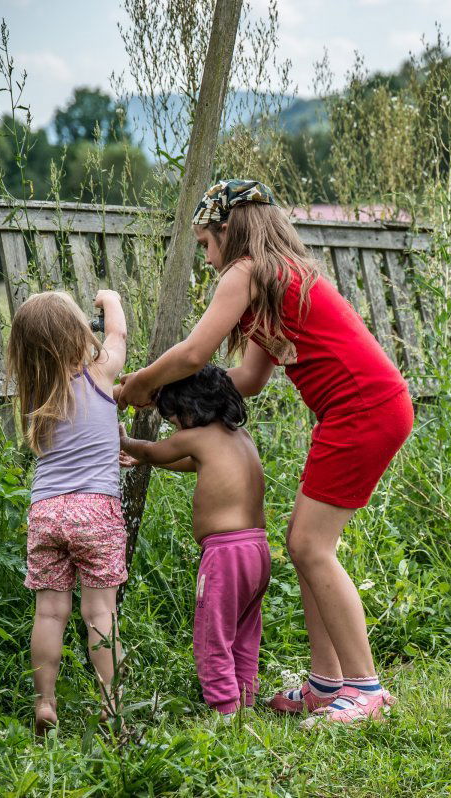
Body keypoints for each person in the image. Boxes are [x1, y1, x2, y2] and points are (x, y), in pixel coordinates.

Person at [116, 179, 412, 726]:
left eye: (206, 243)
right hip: (357, 409)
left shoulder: (247, 271)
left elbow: (196, 350)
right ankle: (327, 683)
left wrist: (142, 382)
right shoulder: (273, 285)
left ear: (229, 230)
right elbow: (248, 379)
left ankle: (366, 689)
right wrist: (173, 391)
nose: (207, 258)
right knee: (306, 544)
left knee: (310, 546)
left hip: (362, 408)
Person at [6, 289, 128, 735]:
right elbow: (117, 332)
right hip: (95, 509)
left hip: (46, 511)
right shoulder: (101, 371)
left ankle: (45, 702)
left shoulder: (35, 393)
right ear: (78, 333)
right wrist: (108, 298)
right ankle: (111, 704)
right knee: (100, 614)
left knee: (49, 614)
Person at [119, 364, 270, 714]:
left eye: (175, 419)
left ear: (191, 408)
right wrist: (141, 459)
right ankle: (245, 698)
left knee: (212, 634)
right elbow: (190, 463)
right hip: (257, 551)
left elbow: (159, 451)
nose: (175, 426)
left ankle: (223, 708)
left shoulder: (196, 436)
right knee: (245, 631)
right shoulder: (239, 438)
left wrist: (126, 443)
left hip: (225, 553)